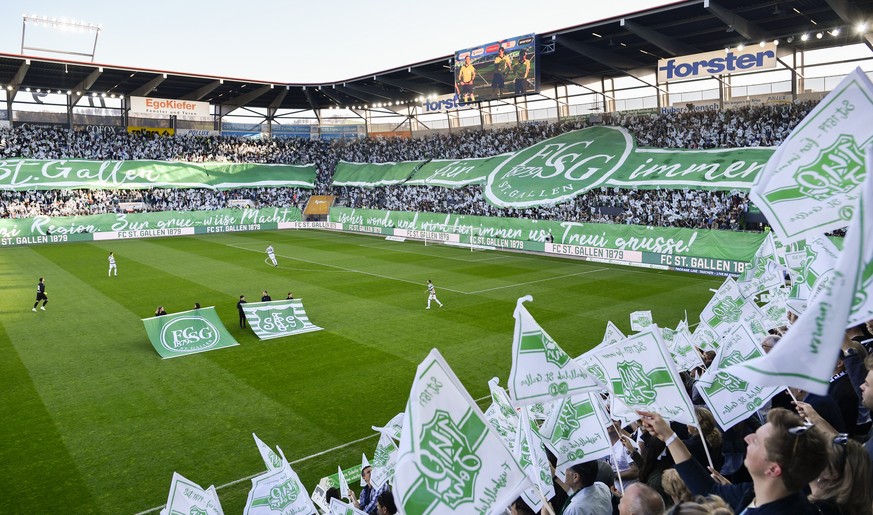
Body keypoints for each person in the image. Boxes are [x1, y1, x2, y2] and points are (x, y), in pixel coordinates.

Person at [638, 408, 828, 514]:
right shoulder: (752, 493)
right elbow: (707, 490)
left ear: (773, 469)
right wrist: (669, 436)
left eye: (757, 441)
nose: (747, 439)